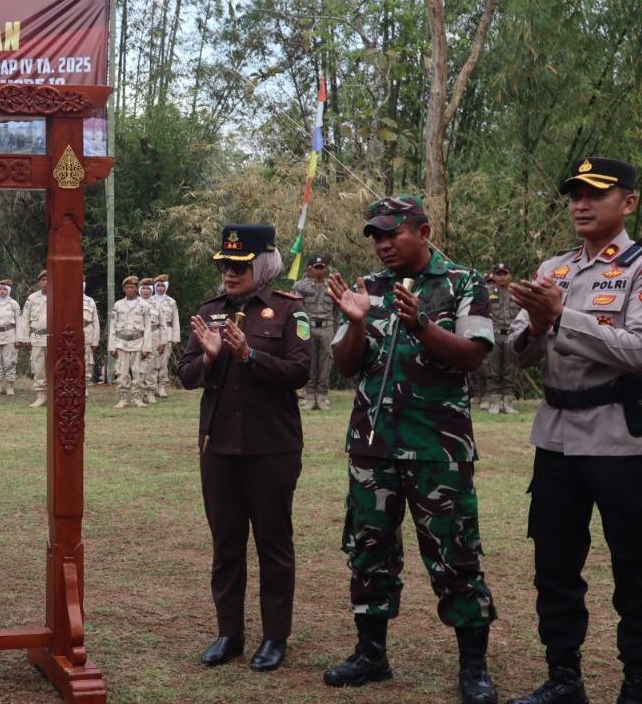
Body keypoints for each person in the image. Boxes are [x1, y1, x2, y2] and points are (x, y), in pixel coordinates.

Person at [322, 195, 498, 704]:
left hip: (437, 450)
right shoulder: (368, 289)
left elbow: (473, 357)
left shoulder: (464, 283)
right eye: (375, 236)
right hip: (372, 449)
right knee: (369, 552)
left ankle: (473, 668)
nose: (381, 245)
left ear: (423, 231)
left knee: (455, 556)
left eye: (391, 233)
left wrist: (422, 323)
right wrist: (356, 322)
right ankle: (371, 654)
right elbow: (347, 366)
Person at [506, 157, 642, 704]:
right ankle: (564, 679)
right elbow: (517, 353)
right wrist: (538, 324)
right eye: (574, 195)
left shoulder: (637, 268)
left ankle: (635, 683)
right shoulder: (552, 268)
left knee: (633, 566)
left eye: (594, 194)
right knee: (555, 564)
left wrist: (564, 318)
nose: (580, 204)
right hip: (556, 438)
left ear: (628, 202)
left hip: (620, 440)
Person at [178, 223, 311, 673]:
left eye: (240, 265)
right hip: (219, 447)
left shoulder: (289, 310)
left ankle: (275, 637)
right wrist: (211, 356)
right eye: (225, 265)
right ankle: (229, 633)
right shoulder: (209, 311)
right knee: (226, 544)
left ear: (263, 264)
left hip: (271, 447)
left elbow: (299, 371)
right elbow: (186, 374)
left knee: (274, 545)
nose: (230, 274)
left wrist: (249, 356)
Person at [293, 255, 339, 410]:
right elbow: (296, 309)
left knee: (326, 362)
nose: (319, 270)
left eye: (322, 267)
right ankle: (310, 395)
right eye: (316, 267)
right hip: (308, 327)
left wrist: (337, 332)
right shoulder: (301, 286)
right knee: (309, 361)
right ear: (309, 269)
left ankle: (322, 396)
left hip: (327, 327)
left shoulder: (333, 286)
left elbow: (337, 311)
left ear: (326, 269)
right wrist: (298, 332)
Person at [109, 276, 154, 408]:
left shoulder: (144, 306)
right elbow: (113, 326)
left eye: (132, 287)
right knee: (122, 372)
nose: (129, 290)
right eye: (127, 287)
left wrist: (146, 347)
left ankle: (137, 397)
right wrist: (112, 346)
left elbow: (147, 328)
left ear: (136, 289)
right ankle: (123, 398)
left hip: (138, 342)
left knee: (138, 372)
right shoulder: (118, 305)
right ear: (124, 289)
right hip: (121, 343)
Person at [483, 263, 520, 414]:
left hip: (512, 335)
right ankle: (494, 402)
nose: (502, 277)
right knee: (493, 370)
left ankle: (508, 402)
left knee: (510, 370)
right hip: (494, 334)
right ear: (494, 276)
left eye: (505, 273)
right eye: (499, 274)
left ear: (510, 276)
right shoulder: (486, 292)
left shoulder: (518, 292)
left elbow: (526, 314)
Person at [18, 270, 50, 407]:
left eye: (48, 280)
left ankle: (54, 395)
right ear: (39, 283)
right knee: (39, 368)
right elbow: (24, 319)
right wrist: (25, 338)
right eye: (43, 280)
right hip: (37, 337)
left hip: (53, 337)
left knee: (55, 368)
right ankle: (41, 396)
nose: (45, 282)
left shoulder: (58, 296)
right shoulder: (32, 298)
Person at [0, 279, 20, 396]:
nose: (2, 291)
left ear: (9, 290)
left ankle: (10, 385)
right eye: (0, 289)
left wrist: (18, 339)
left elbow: (19, 322)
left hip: (9, 335)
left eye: (4, 289)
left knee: (9, 361)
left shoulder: (13, 304)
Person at [153, 275, 180, 395]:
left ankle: (162, 386)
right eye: (158, 285)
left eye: (162, 286)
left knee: (164, 362)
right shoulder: (149, 300)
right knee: (152, 361)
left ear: (166, 287)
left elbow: (175, 320)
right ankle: (152, 386)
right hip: (153, 333)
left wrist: (175, 338)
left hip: (167, 334)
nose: (160, 288)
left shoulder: (171, 301)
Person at [138, 278, 164, 404]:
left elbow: (163, 324)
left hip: (154, 335)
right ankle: (140, 392)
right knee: (139, 364)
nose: (146, 291)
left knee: (152, 364)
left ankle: (150, 392)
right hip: (139, 336)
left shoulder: (157, 305)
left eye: (148, 288)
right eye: (143, 288)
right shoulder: (135, 304)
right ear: (139, 290)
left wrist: (163, 341)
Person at [83, 282, 101, 386]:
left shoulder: (90, 301)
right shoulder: (66, 298)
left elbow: (95, 322)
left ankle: (85, 383)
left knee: (87, 359)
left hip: (87, 333)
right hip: (70, 334)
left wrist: (95, 340)